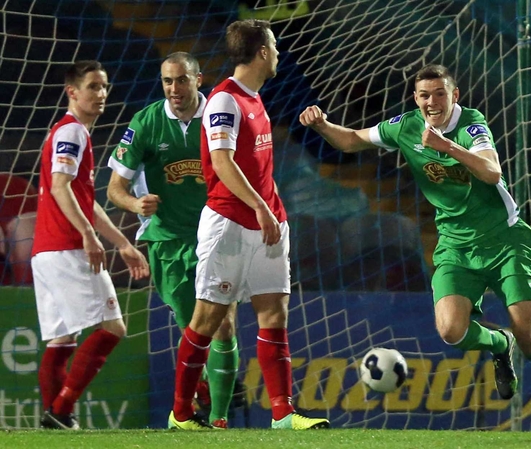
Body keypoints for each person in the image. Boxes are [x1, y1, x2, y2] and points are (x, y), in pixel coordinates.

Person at [299, 64, 531, 433]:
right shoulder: (405, 126)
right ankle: (498, 344)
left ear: (454, 95)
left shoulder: (471, 124)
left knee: (530, 336)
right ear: (416, 99)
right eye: (424, 95)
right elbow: (352, 139)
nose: (432, 102)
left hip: (505, 241)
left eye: (440, 93)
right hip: (454, 245)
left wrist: (446, 146)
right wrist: (322, 125)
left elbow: (492, 172)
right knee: (451, 331)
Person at [167, 19, 329, 430]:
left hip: (268, 224)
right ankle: (181, 414)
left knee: (274, 313)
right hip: (229, 224)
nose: (277, 53)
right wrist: (260, 207)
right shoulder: (224, 100)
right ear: (260, 52)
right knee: (207, 320)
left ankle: (282, 414)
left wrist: (271, 207)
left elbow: (256, 167)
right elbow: (222, 162)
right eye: (273, 46)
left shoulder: (256, 99)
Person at [106, 52, 240, 429]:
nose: (174, 89)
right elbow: (116, 187)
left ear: (199, 79)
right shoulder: (146, 122)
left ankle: (219, 419)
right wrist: (136, 203)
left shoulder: (220, 114)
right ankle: (198, 399)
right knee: (192, 329)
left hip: (216, 234)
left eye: (181, 80)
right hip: (167, 240)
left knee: (222, 324)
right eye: (167, 81)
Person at [32, 60, 150, 430]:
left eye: (104, 87)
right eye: (93, 87)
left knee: (61, 340)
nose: (101, 94)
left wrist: (122, 243)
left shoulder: (69, 133)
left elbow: (85, 199)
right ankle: (63, 408)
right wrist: (87, 235)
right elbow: (59, 186)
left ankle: (55, 419)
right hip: (67, 248)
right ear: (72, 92)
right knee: (112, 327)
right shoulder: (73, 133)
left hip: (45, 251)